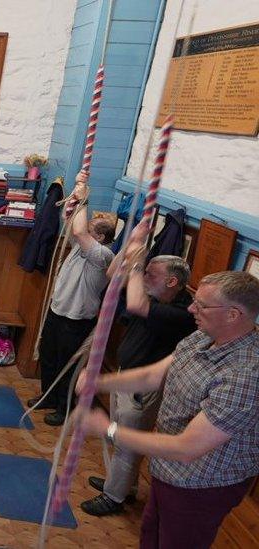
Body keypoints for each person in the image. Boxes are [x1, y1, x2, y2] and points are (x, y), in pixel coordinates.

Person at [76, 271, 259, 548]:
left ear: (233, 315)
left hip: (200, 487)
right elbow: (153, 375)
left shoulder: (245, 375)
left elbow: (186, 448)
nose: (190, 309)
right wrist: (99, 382)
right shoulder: (202, 337)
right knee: (151, 535)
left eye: (201, 305)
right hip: (167, 472)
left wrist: (108, 429)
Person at [81, 222, 196, 516]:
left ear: (172, 282)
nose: (144, 277)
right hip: (126, 375)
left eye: (151, 275)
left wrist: (136, 263)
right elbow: (111, 275)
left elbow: (134, 304)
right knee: (119, 436)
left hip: (143, 388)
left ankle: (114, 497)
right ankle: (123, 486)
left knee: (125, 441)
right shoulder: (154, 297)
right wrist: (131, 244)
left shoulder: (181, 313)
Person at [28, 171, 115, 426]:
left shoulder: (102, 256)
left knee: (69, 366)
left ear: (99, 237)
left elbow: (78, 230)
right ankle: (49, 396)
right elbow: (71, 220)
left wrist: (85, 197)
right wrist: (77, 190)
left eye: (90, 231)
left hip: (76, 319)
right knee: (48, 354)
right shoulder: (82, 247)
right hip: (59, 311)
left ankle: (65, 408)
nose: (84, 232)